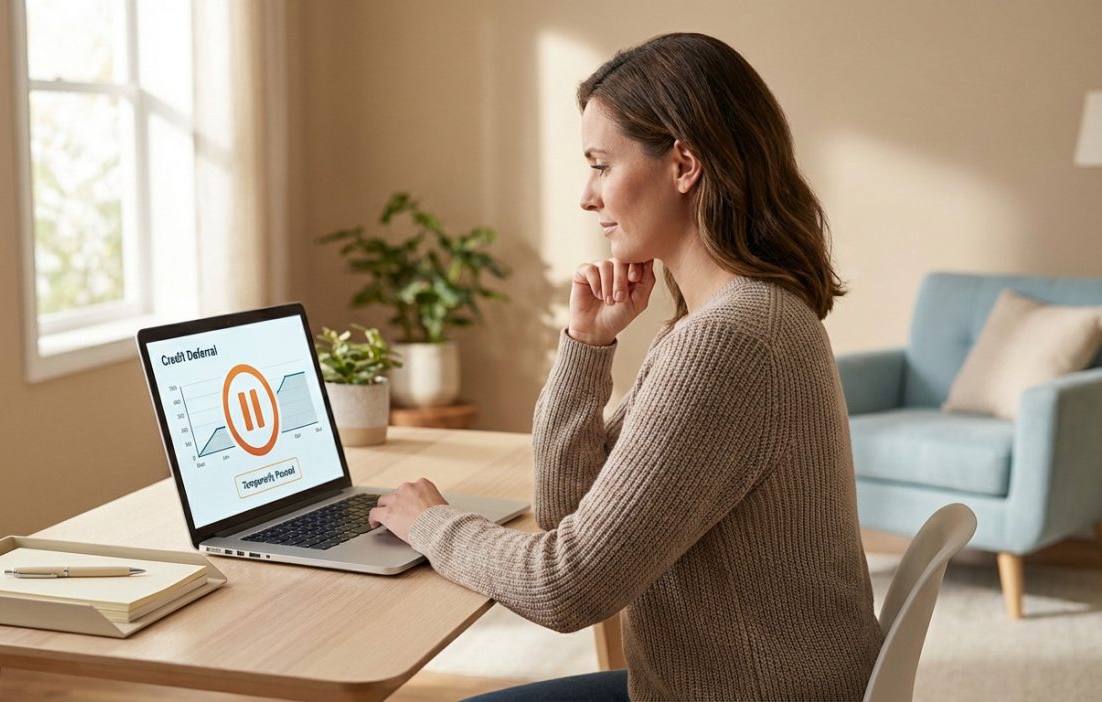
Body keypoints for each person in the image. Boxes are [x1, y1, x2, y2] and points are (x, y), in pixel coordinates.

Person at [367, 32, 884, 701]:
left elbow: (566, 586)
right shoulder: (742, 315)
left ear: (684, 164)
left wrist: (430, 523)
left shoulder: (726, 343)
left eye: (601, 165)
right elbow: (567, 510)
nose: (588, 196)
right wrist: (585, 344)